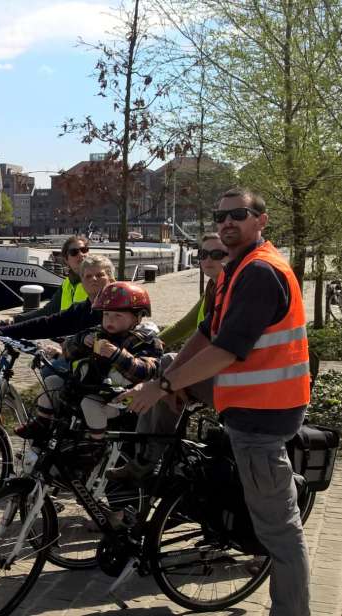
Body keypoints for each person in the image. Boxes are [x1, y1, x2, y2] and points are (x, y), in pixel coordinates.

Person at [124, 188, 310, 616]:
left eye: (237, 215)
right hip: (242, 394)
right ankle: (150, 463)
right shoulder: (235, 269)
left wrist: (165, 388)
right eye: (220, 215)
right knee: (169, 363)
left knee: (280, 533)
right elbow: (206, 333)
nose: (227, 222)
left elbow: (226, 350)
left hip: (263, 412)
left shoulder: (261, 272)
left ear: (261, 220)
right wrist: (164, 377)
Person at [19, 281, 162, 441]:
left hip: (121, 397)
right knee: (51, 382)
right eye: (106, 314)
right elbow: (68, 352)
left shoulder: (145, 341)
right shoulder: (98, 333)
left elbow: (147, 371)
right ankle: (42, 423)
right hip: (88, 387)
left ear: (137, 318)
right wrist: (80, 341)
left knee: (89, 404)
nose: (109, 320)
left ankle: (95, 445)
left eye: (118, 316)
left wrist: (118, 355)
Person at [0, 254, 115, 344]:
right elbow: (47, 323)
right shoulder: (81, 309)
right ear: (82, 281)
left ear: (111, 279)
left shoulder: (116, 307)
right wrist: (3, 330)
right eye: (88, 276)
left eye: (99, 275)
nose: (94, 280)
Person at [158, 233, 227, 349]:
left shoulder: (229, 291)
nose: (208, 259)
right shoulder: (212, 288)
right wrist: (150, 343)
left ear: (231, 257)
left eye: (216, 254)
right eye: (203, 254)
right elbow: (183, 326)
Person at [3, 235, 90, 325]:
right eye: (74, 252)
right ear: (66, 260)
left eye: (84, 250)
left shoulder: (99, 280)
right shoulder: (67, 284)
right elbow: (48, 311)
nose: (81, 254)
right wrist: (14, 320)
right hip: (68, 334)